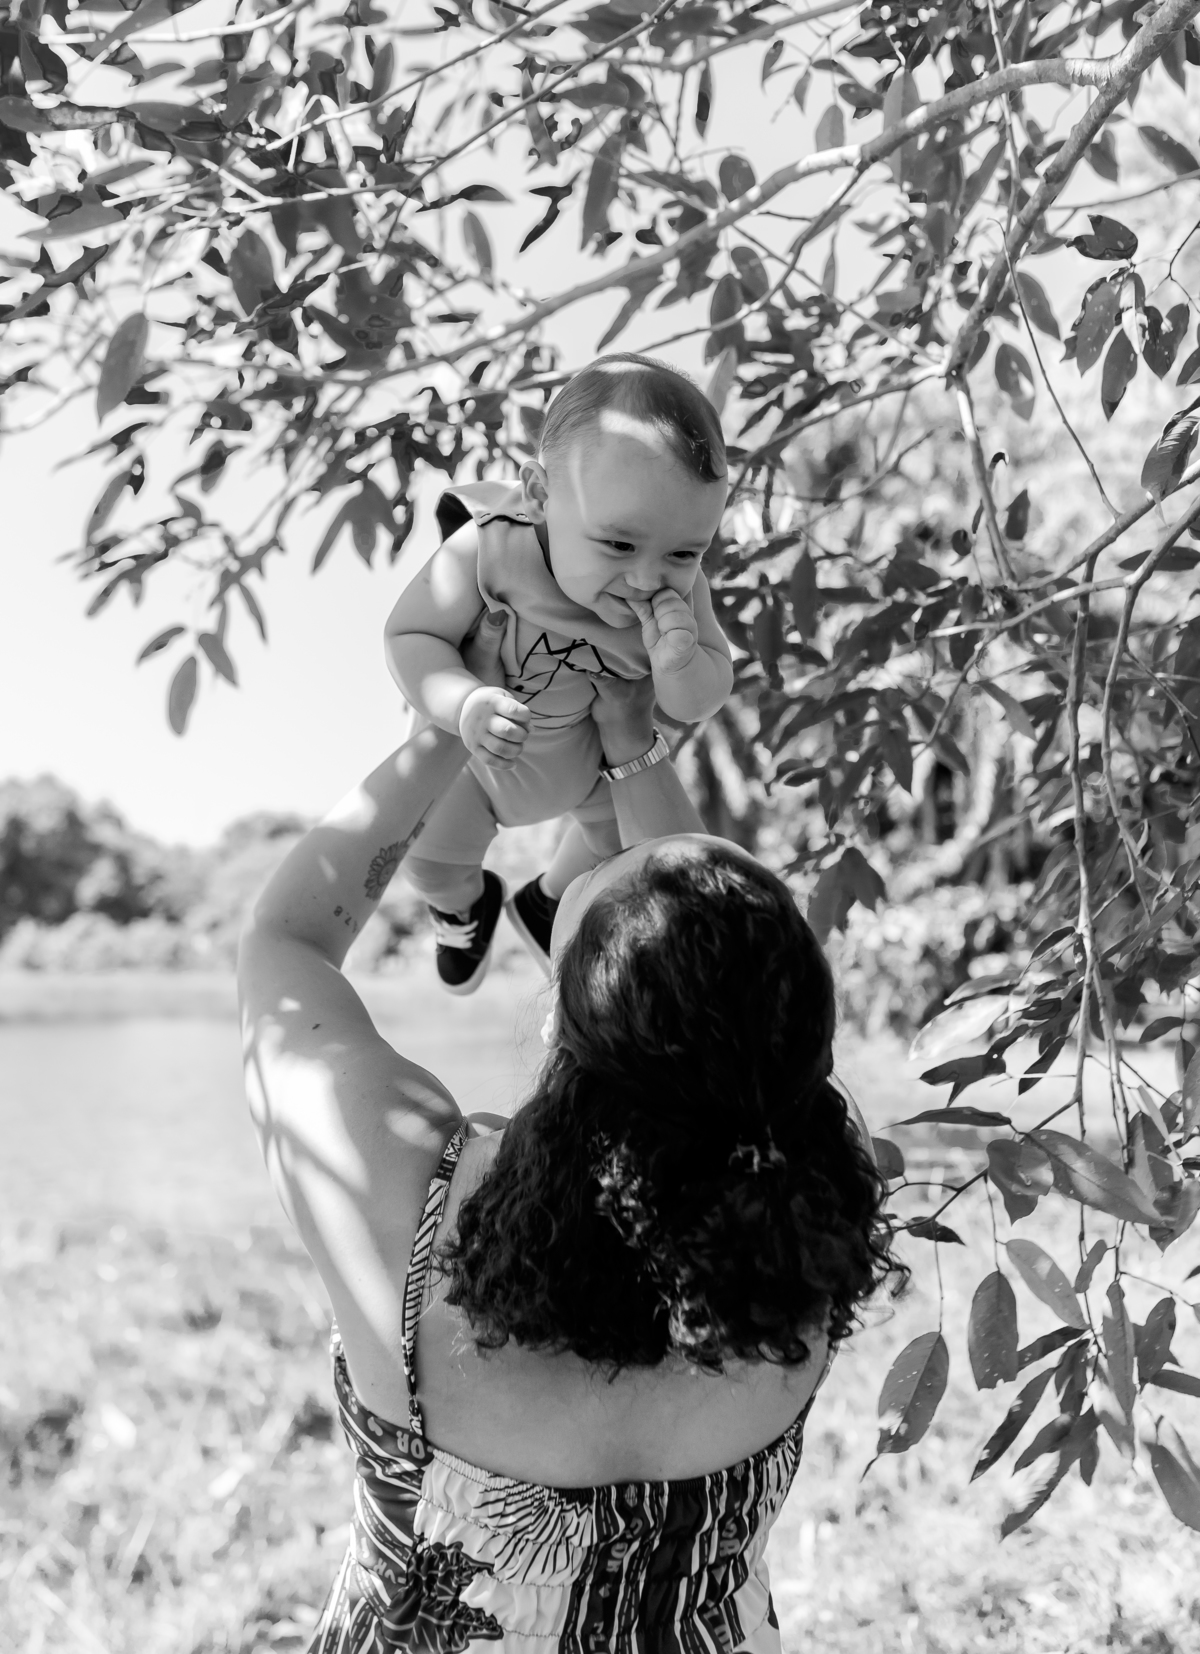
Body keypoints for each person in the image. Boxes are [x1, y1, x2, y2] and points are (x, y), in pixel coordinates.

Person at [239, 623, 900, 1654]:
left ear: (561, 1019)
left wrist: (453, 715)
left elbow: (285, 941)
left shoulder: (399, 1199)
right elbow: (705, 958)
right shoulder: (788, 1251)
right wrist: (632, 748)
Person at [382, 352, 734, 994]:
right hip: (477, 764)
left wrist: (680, 663)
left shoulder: (684, 596)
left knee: (621, 857)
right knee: (425, 856)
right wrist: (463, 701)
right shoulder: (492, 549)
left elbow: (697, 700)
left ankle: (547, 901)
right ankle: (465, 908)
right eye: (620, 545)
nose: (648, 578)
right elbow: (411, 634)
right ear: (541, 496)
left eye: (685, 552)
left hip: (595, 767)